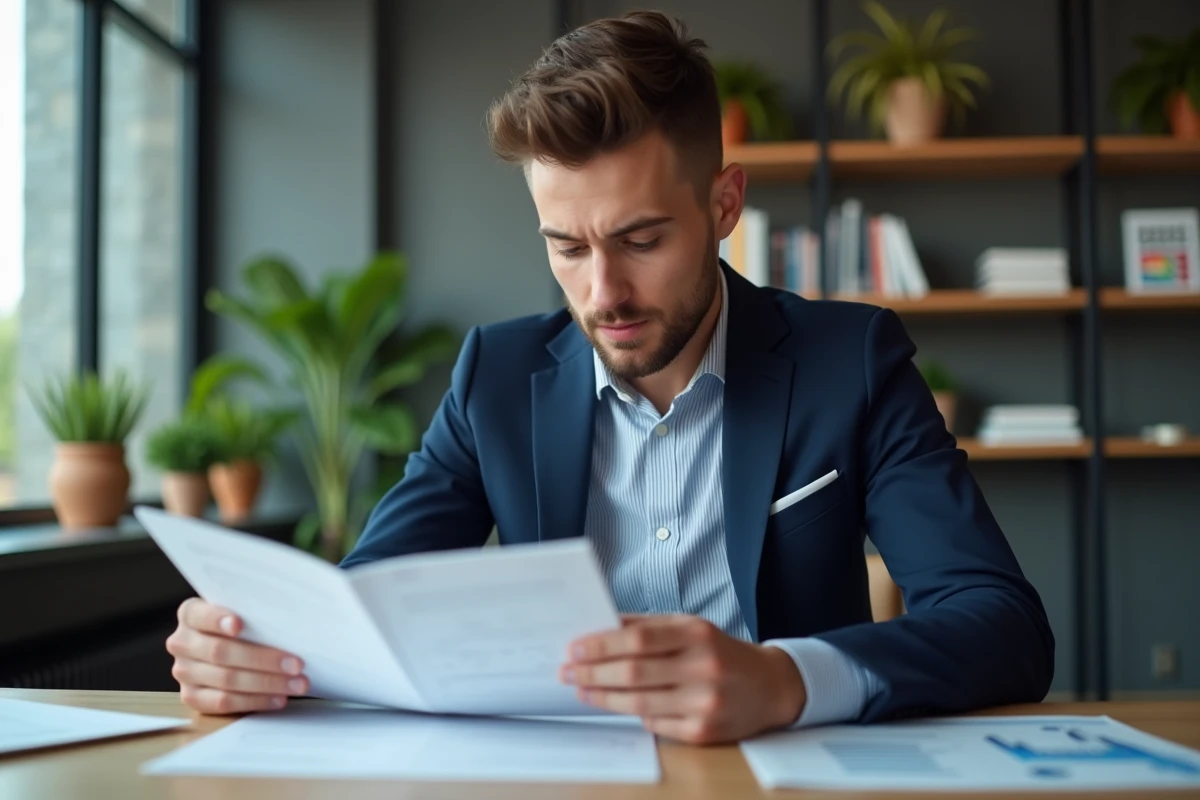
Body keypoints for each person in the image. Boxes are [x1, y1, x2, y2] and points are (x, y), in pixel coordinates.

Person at [165, 10, 1054, 744]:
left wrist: (788, 678)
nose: (604, 293)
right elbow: (364, 606)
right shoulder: (494, 378)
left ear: (724, 206)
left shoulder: (850, 362)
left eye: (640, 240)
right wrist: (259, 651)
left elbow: (1002, 625)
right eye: (567, 246)